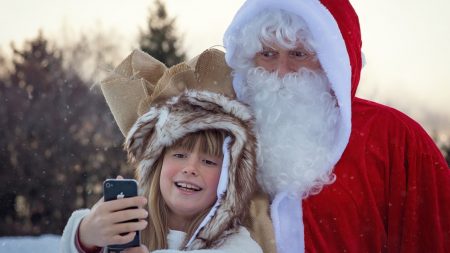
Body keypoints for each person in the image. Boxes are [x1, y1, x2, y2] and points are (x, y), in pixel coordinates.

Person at [222, 0, 450, 252]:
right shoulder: (220, 135)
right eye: (268, 54)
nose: (282, 71)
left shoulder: (394, 137)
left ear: (332, 60)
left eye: (298, 54)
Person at [60, 48, 262, 253]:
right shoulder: (121, 233)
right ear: (156, 164)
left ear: (228, 179)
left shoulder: (239, 247)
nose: (190, 168)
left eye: (209, 161)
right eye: (179, 155)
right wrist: (85, 236)